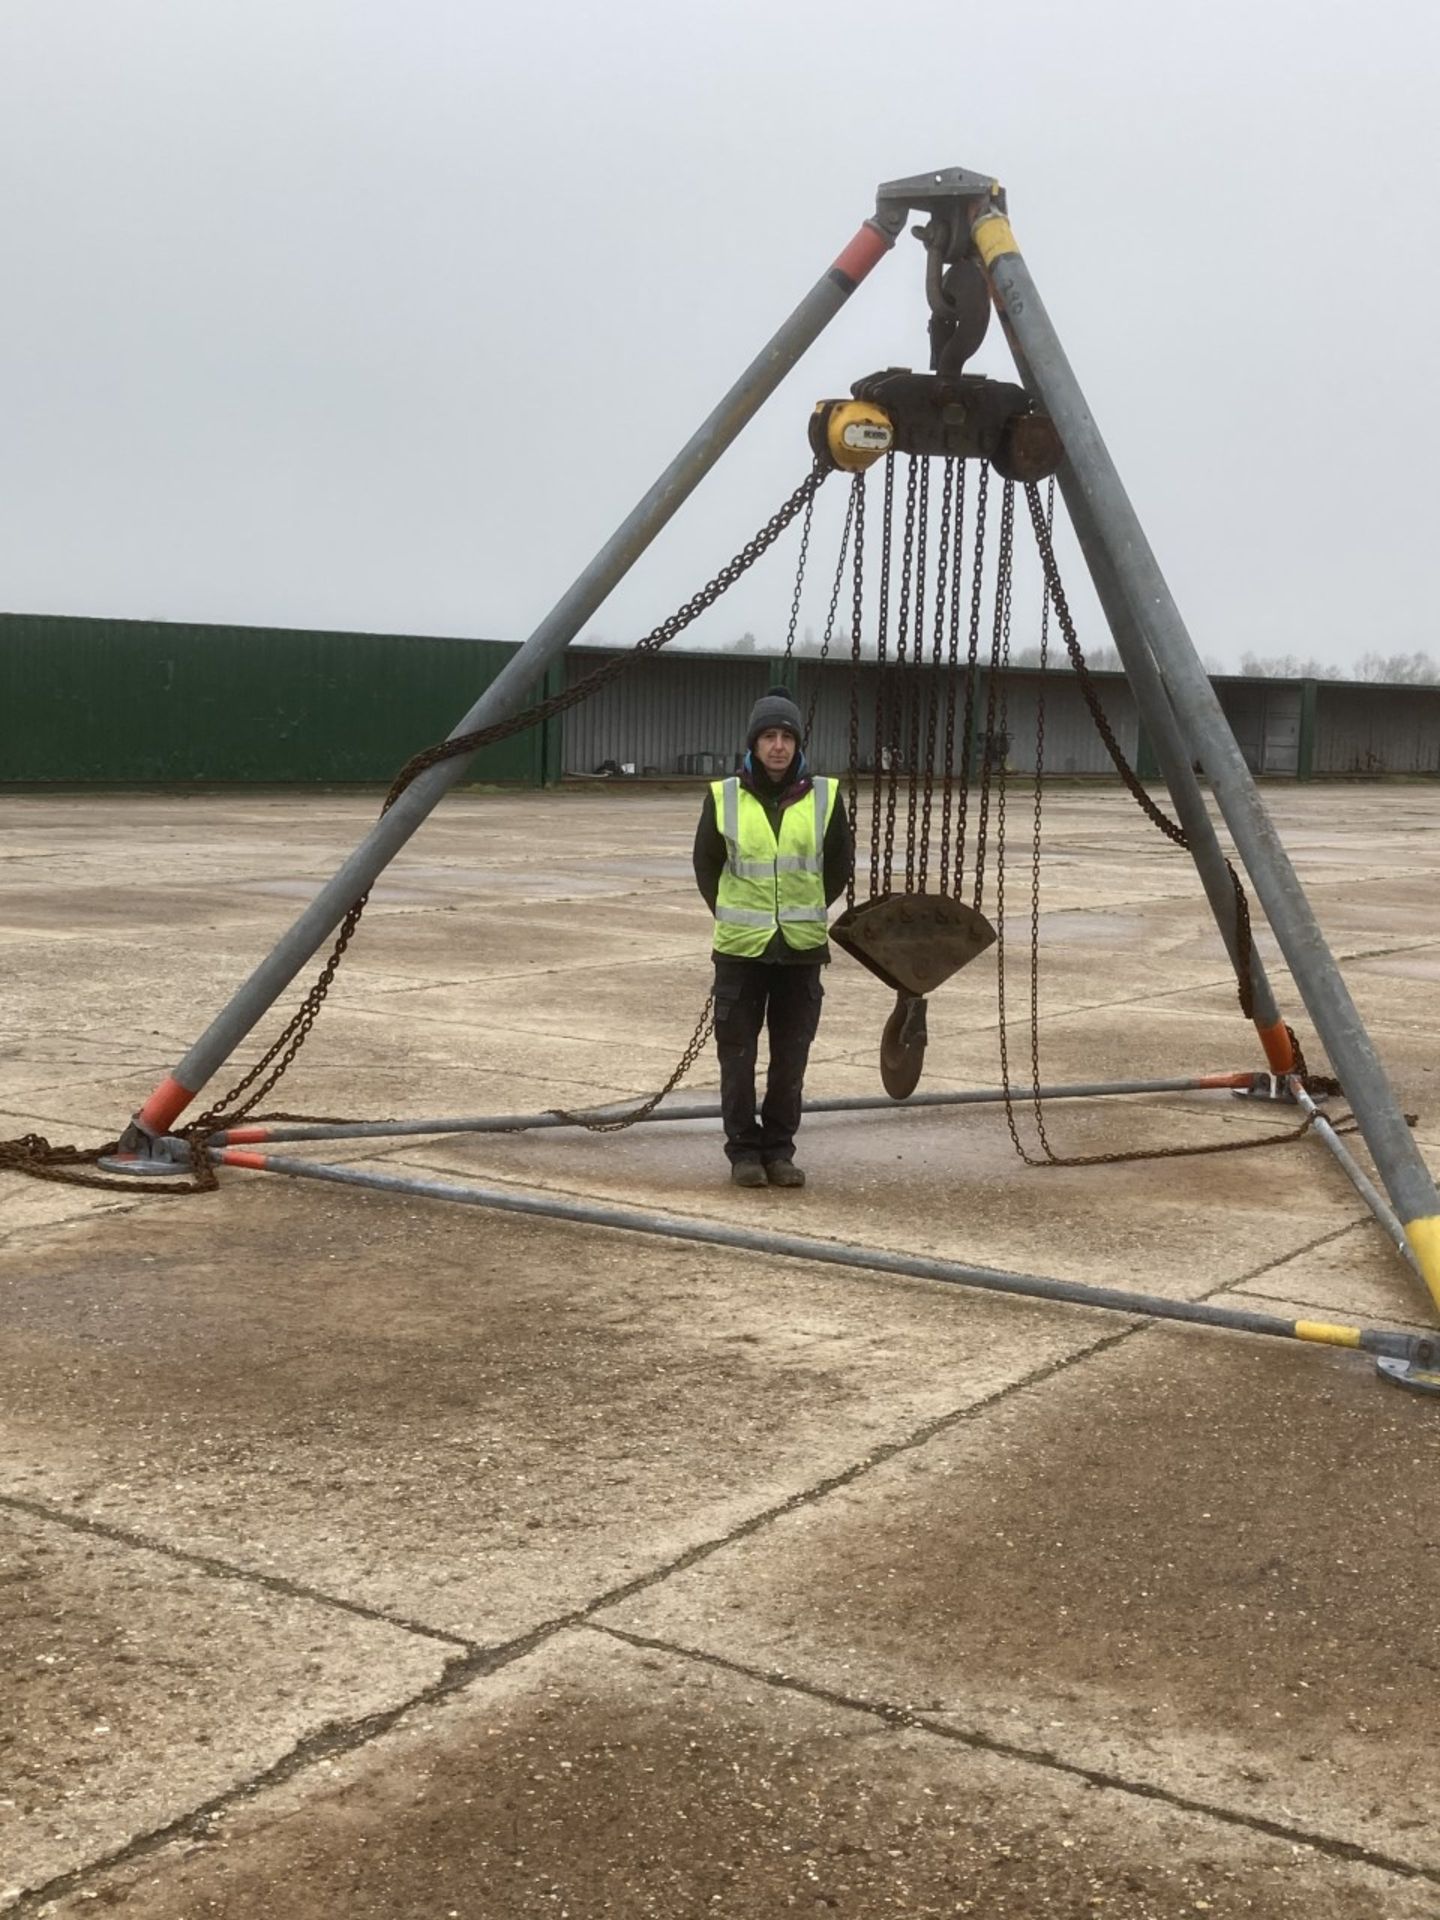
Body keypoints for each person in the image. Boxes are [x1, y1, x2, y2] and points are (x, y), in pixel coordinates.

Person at [692, 685, 853, 1189]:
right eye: (768, 736)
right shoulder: (723, 797)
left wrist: (800, 914)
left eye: (786, 736)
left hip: (801, 951)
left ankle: (780, 1151)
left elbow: (837, 867)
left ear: (798, 743)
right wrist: (739, 916)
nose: (778, 746)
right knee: (737, 1058)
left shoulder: (826, 797)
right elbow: (707, 866)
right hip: (741, 952)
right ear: (754, 744)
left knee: (791, 1059)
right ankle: (743, 1151)